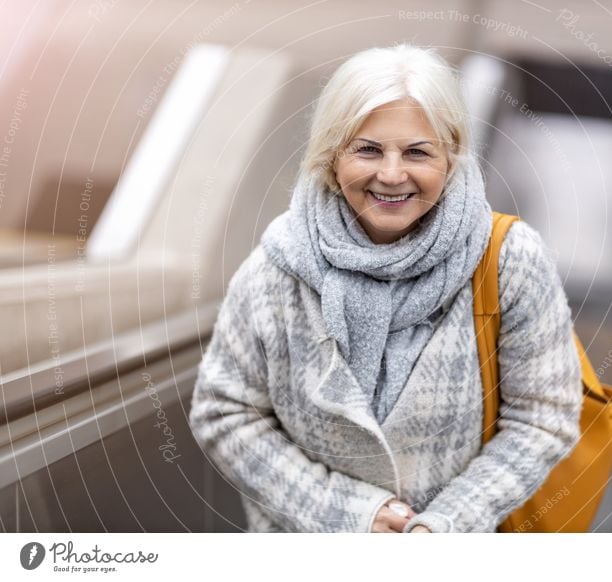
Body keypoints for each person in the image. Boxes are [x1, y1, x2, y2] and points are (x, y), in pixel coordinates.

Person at [188, 44, 583, 533]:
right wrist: (347, 515)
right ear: (332, 158)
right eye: (368, 149)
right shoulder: (276, 268)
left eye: (417, 151)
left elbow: (543, 418)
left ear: (451, 157)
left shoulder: (509, 261)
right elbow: (223, 413)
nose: (392, 174)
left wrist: (445, 526)